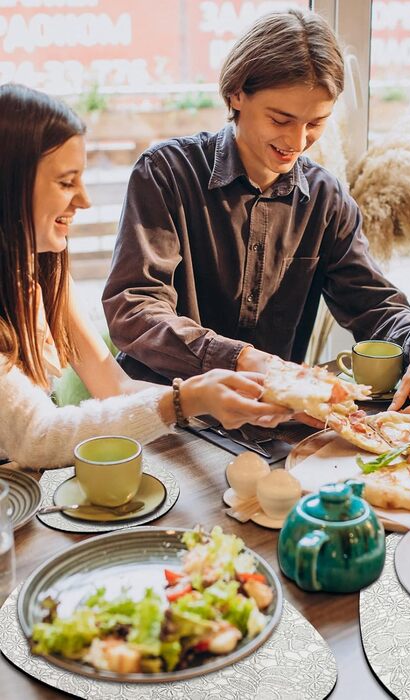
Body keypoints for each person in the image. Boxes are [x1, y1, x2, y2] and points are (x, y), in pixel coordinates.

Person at [102, 9, 410, 419]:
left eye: (316, 123)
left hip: (266, 423)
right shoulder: (166, 173)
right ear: (236, 93)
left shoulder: (326, 199)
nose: (297, 141)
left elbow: (375, 305)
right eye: (281, 119)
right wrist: (242, 359)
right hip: (166, 415)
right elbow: (134, 309)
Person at [0, 84, 292, 468]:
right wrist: (184, 400)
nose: (84, 200)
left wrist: (220, 396)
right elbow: (37, 438)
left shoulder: (43, 272)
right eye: (66, 182)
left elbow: (114, 388)